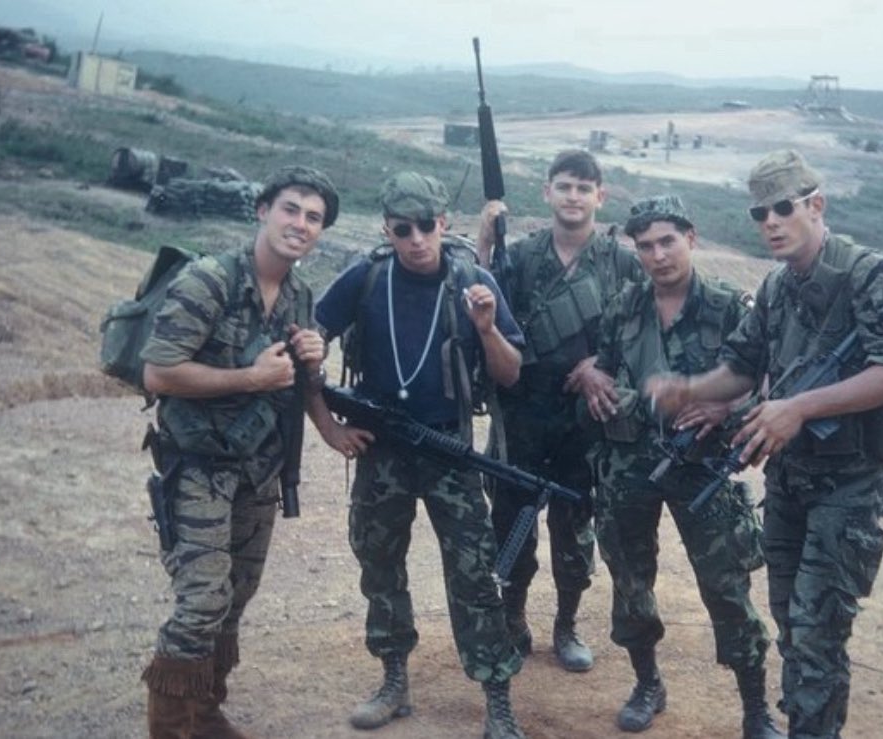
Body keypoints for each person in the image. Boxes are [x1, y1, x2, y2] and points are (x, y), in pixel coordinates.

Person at [647, 151, 883, 739]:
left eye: (783, 208)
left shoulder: (865, 275)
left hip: (849, 484)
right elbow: (742, 367)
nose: (770, 221)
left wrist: (797, 407)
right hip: (789, 482)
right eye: (759, 212)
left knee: (818, 630)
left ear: (815, 205)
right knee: (791, 626)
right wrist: (688, 389)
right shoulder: (777, 286)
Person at [313, 172, 529, 738]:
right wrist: (326, 425)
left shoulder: (472, 280)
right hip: (380, 446)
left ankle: (497, 700)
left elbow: (510, 372)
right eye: (402, 229)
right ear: (387, 229)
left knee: (475, 574)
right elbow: (305, 345)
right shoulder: (365, 278)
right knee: (379, 564)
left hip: (446, 445)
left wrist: (486, 329)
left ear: (444, 223)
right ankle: (393, 682)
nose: (416, 239)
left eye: (426, 226)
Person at [139, 165, 340, 738]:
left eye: (313, 217)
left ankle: (203, 713)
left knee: (235, 597)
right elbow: (159, 372)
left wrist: (313, 362)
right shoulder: (210, 280)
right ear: (262, 210)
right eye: (291, 209)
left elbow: (297, 383)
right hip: (198, 465)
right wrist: (250, 379)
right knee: (201, 600)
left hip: (258, 472)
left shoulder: (300, 295)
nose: (300, 224)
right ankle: (170, 728)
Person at [582, 196, 785, 737]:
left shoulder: (727, 307)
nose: (657, 255)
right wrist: (598, 382)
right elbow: (604, 371)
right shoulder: (624, 306)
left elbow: (767, 386)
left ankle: (755, 708)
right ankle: (648, 683)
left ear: (690, 238)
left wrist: (727, 407)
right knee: (630, 580)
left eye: (667, 241)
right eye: (644, 245)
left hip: (702, 466)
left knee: (725, 587)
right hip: (627, 463)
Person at [476, 149, 643, 673]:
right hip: (523, 415)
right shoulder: (519, 256)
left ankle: (566, 625)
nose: (573, 196)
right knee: (511, 526)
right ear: (547, 192)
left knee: (574, 532)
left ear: (601, 196)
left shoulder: (622, 263)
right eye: (564, 186)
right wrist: (484, 239)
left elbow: (645, 334)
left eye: (583, 187)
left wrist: (603, 363)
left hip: (586, 422)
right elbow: (481, 302)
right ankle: (513, 619)